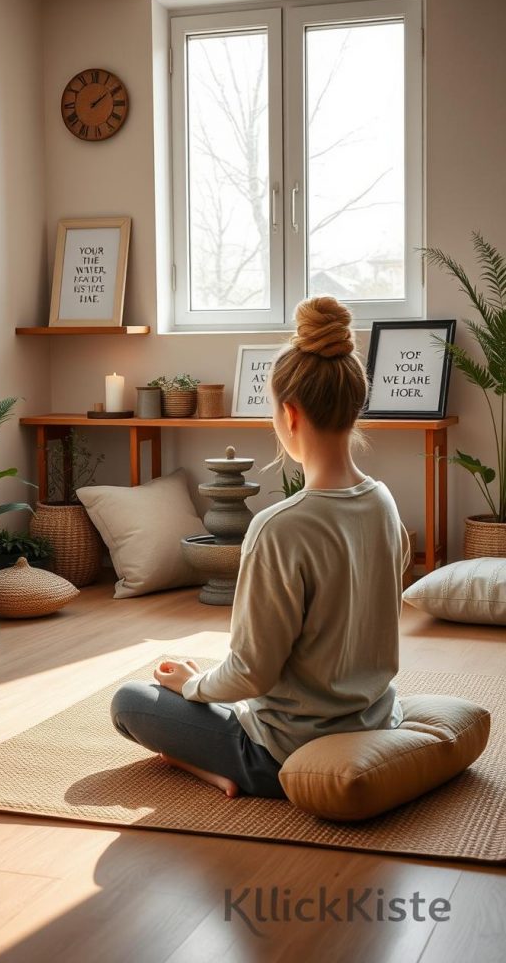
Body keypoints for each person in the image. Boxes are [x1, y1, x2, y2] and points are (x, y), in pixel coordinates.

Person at [110, 295, 412, 799]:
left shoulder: (278, 527)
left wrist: (192, 684)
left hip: (285, 749)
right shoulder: (384, 502)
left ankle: (218, 770)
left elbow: (251, 673)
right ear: (355, 406)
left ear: (289, 414)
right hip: (379, 719)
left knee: (129, 702)